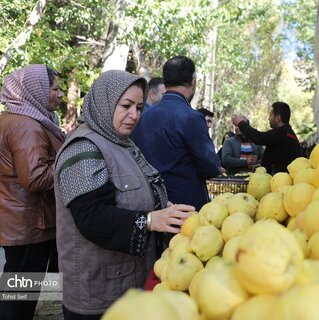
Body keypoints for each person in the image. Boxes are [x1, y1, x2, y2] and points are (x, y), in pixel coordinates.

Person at [54, 70, 194, 319]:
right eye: (126, 106)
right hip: (98, 295)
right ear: (105, 102)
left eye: (139, 107)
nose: (135, 115)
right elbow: (91, 216)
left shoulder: (120, 142)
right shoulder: (84, 148)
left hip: (125, 284)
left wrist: (163, 207)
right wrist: (152, 220)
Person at [0, 64, 64, 320]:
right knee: (20, 293)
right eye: (55, 88)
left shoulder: (12, 117)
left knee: (18, 287)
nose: (59, 94)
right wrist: (66, 162)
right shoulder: (27, 126)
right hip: (29, 223)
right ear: (36, 91)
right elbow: (35, 178)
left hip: (20, 219)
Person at [132, 56, 220, 214]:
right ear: (193, 81)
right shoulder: (191, 118)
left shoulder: (142, 118)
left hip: (150, 206)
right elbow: (211, 168)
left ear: (166, 83)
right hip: (184, 210)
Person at [232, 101, 303, 174]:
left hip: (280, 182)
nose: (268, 118)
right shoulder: (286, 133)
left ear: (278, 118)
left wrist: (240, 123)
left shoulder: (282, 132)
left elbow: (258, 137)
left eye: (271, 115)